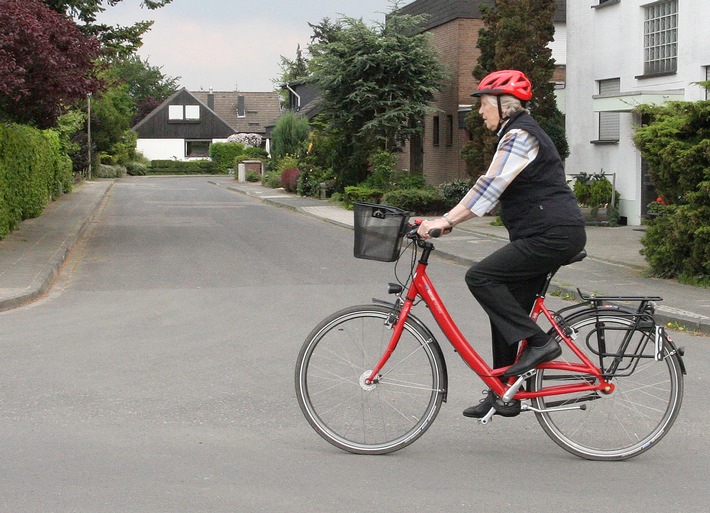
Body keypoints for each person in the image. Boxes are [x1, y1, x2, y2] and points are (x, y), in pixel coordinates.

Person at [417, 70, 586, 419]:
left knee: (481, 277)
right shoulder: (515, 133)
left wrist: (446, 220)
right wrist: (447, 221)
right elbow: (495, 192)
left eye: (482, 103)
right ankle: (506, 392)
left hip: (552, 235)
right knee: (506, 307)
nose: (479, 112)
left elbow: (489, 186)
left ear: (502, 104)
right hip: (545, 233)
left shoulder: (520, 135)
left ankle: (541, 343)